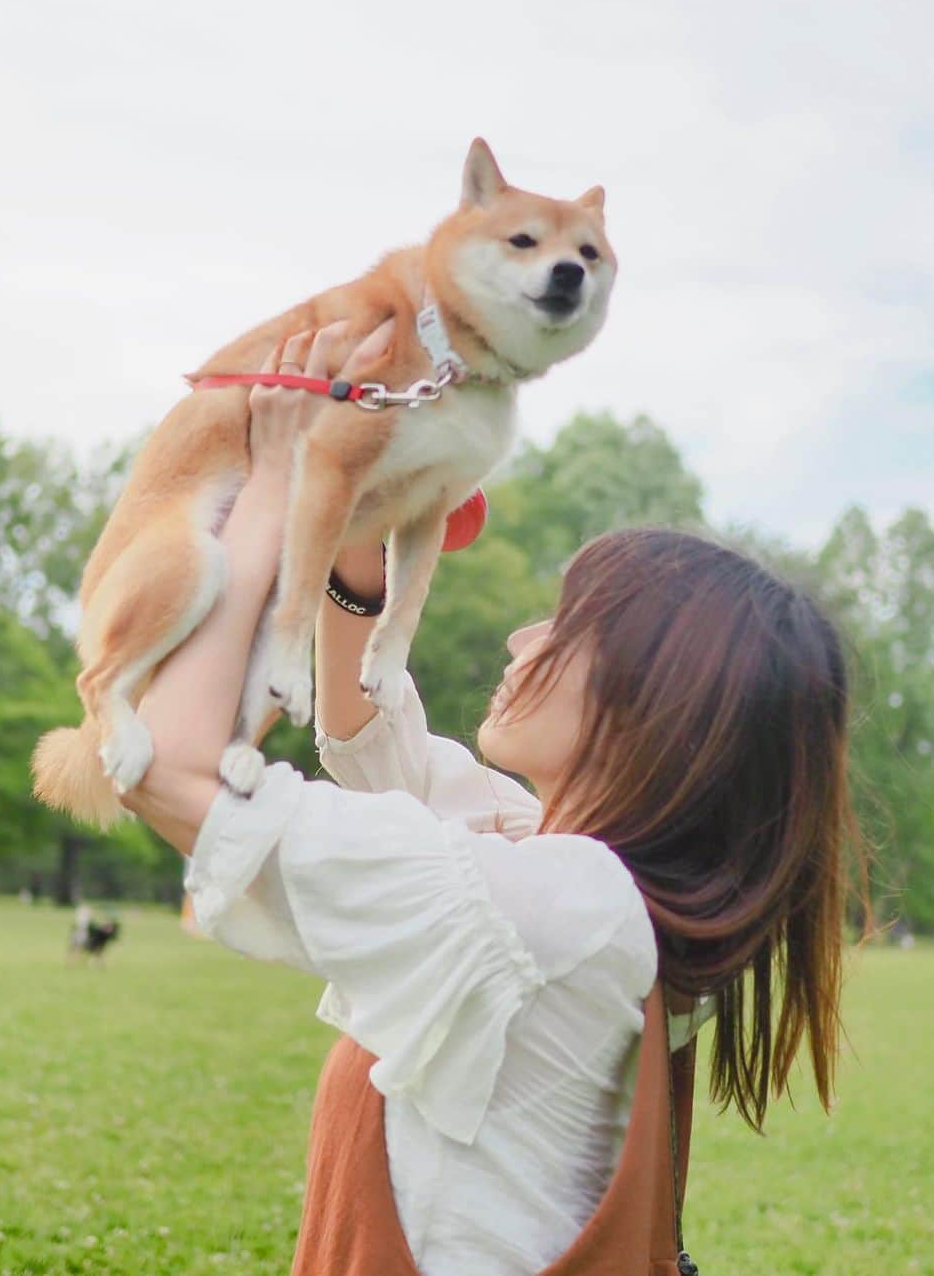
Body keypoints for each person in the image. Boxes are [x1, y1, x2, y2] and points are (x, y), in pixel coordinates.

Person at [123, 323, 871, 1276]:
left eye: (565, 626)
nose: (522, 638)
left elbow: (167, 766)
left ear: (653, 702)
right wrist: (358, 542)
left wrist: (279, 490)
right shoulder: (594, 881)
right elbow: (371, 744)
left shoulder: (559, 906)